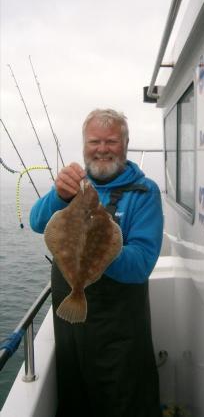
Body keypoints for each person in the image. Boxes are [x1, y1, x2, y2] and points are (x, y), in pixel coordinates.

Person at [30, 108, 163, 417]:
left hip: (120, 333)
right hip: (71, 333)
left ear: (126, 144)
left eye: (111, 141)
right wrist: (59, 197)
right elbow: (38, 222)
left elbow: (142, 264)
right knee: (77, 399)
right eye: (94, 142)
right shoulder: (71, 187)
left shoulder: (144, 192)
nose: (102, 149)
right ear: (84, 146)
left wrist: (100, 241)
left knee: (124, 401)